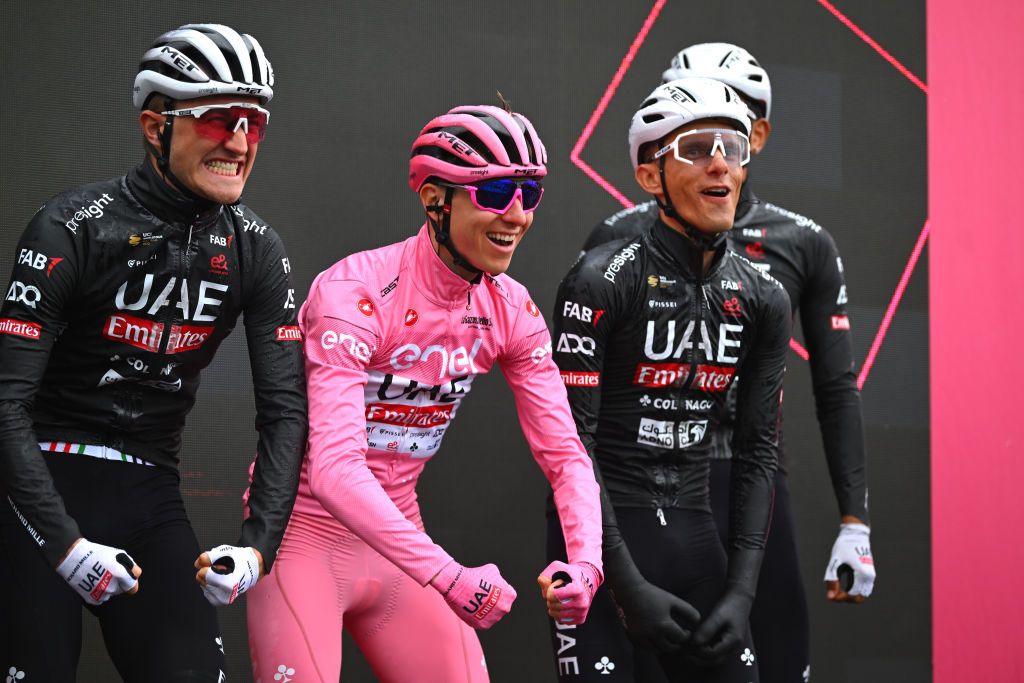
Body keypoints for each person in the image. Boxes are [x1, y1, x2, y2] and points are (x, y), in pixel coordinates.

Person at [245, 103, 604, 683]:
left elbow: (566, 459)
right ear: (436, 200)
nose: (516, 214)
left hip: (401, 544)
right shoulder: (355, 291)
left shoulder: (511, 310)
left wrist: (587, 563)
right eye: (493, 194)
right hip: (303, 538)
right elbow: (336, 470)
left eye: (529, 193)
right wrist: (449, 576)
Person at [0, 24, 306, 682]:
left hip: (148, 489)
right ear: (153, 124)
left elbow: (285, 411)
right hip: (33, 489)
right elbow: (6, 403)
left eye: (254, 120)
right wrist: (63, 544)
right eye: (219, 118)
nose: (241, 140)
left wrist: (258, 547)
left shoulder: (257, 249)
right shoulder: (72, 226)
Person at [582, 42, 876, 682]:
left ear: (758, 134)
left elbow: (836, 386)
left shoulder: (803, 243)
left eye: (730, 120)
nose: (712, 140)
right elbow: (577, 415)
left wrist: (854, 519)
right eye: (687, 120)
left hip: (749, 480)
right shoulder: (617, 239)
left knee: (775, 658)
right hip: (643, 486)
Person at [546, 76, 792, 682]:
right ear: (651, 176)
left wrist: (740, 594)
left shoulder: (764, 297)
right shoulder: (600, 279)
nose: (720, 165)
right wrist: (625, 584)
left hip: (695, 535)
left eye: (733, 149)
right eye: (696, 148)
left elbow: (759, 453)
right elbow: (570, 447)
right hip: (596, 546)